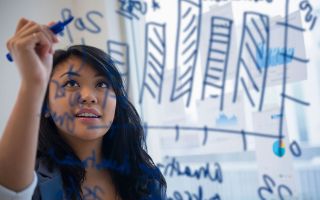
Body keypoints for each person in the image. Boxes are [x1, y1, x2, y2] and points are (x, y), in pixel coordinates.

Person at [0, 18, 166, 200]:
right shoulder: (28, 180)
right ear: (45, 105)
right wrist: (33, 83)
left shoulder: (147, 180)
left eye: (102, 84)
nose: (89, 96)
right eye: (71, 83)